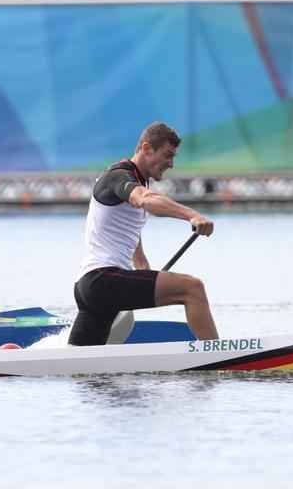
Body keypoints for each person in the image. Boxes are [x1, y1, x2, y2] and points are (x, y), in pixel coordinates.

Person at [67, 121, 219, 346]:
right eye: (168, 155)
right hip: (103, 280)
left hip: (90, 287)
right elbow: (145, 200)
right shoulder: (118, 176)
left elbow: (125, 224)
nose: (171, 164)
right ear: (146, 148)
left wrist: (141, 264)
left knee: (79, 361)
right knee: (192, 288)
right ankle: (218, 354)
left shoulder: (138, 180)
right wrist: (192, 215)